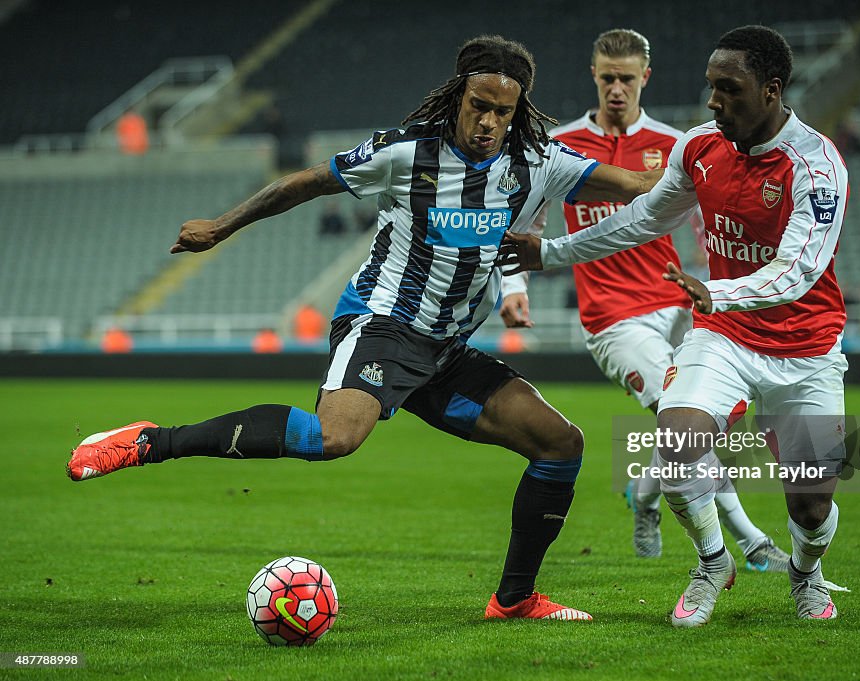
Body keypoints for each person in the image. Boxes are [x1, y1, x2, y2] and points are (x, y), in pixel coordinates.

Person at [66, 35, 665, 622]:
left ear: (518, 111)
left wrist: (709, 158)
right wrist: (222, 226)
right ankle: (153, 441)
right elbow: (303, 182)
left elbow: (641, 186)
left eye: (501, 111)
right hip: (383, 322)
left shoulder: (538, 161)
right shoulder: (406, 152)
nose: (488, 121)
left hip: (445, 349)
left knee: (562, 445)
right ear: (459, 95)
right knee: (335, 438)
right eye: (478, 105)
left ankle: (514, 600)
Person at [500, 25, 850, 625]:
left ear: (771, 90)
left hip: (806, 347)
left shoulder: (816, 167)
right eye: (711, 87)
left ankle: (805, 573)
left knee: (813, 503)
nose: (714, 102)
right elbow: (640, 219)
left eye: (729, 90)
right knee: (677, 436)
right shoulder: (699, 148)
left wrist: (716, 291)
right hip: (724, 336)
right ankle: (714, 561)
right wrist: (550, 254)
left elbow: (797, 272)